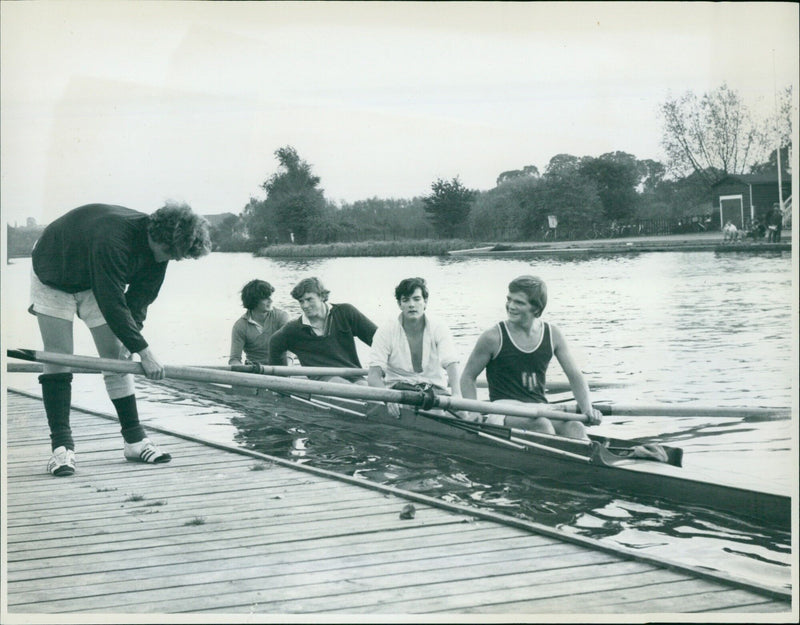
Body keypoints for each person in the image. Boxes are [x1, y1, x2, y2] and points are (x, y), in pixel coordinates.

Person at [29, 202, 212, 476]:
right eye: (169, 253)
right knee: (59, 356)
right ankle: (62, 448)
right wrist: (145, 351)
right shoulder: (113, 238)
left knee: (116, 355)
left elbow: (138, 301)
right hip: (54, 269)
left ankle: (134, 441)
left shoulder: (161, 252)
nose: (169, 260)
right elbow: (112, 301)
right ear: (158, 237)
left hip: (94, 279)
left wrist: (131, 342)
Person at [460, 275, 602, 440]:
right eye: (509, 299)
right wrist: (473, 411)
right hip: (503, 410)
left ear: (536, 308)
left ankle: (583, 462)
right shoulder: (493, 337)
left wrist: (587, 410)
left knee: (575, 426)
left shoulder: (553, 334)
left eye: (519, 302)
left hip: (540, 408)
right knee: (541, 425)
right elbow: (468, 377)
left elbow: (575, 376)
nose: (511, 306)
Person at [367, 277, 460, 416]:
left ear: (425, 302)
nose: (412, 305)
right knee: (434, 415)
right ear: (399, 304)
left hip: (434, 389)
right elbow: (373, 376)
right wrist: (388, 398)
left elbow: (451, 363)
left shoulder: (439, 327)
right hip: (399, 390)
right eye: (406, 300)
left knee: (460, 415)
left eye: (416, 299)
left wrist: (457, 395)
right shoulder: (386, 330)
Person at [268, 277, 377, 383]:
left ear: (321, 296)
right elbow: (274, 343)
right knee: (339, 382)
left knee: (364, 386)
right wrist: (281, 380)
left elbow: (378, 339)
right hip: (322, 381)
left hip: (353, 375)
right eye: (301, 301)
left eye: (309, 299)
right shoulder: (294, 328)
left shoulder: (345, 312)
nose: (305, 305)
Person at [229, 279, 290, 365]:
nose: (271, 300)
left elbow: (290, 349)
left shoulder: (281, 317)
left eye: (270, 296)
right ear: (253, 300)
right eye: (265, 298)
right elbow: (234, 359)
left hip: (281, 369)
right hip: (255, 372)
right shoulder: (240, 326)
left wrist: (288, 368)